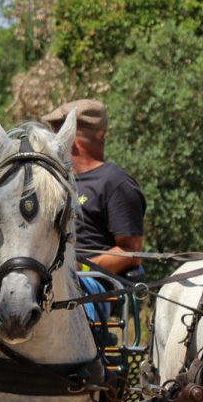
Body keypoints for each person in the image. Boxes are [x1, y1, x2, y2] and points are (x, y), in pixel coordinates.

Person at [40, 98, 144, 277]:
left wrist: (79, 268)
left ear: (71, 140)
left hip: (92, 283)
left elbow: (131, 253)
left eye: (56, 135)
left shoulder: (114, 182)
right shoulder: (54, 182)